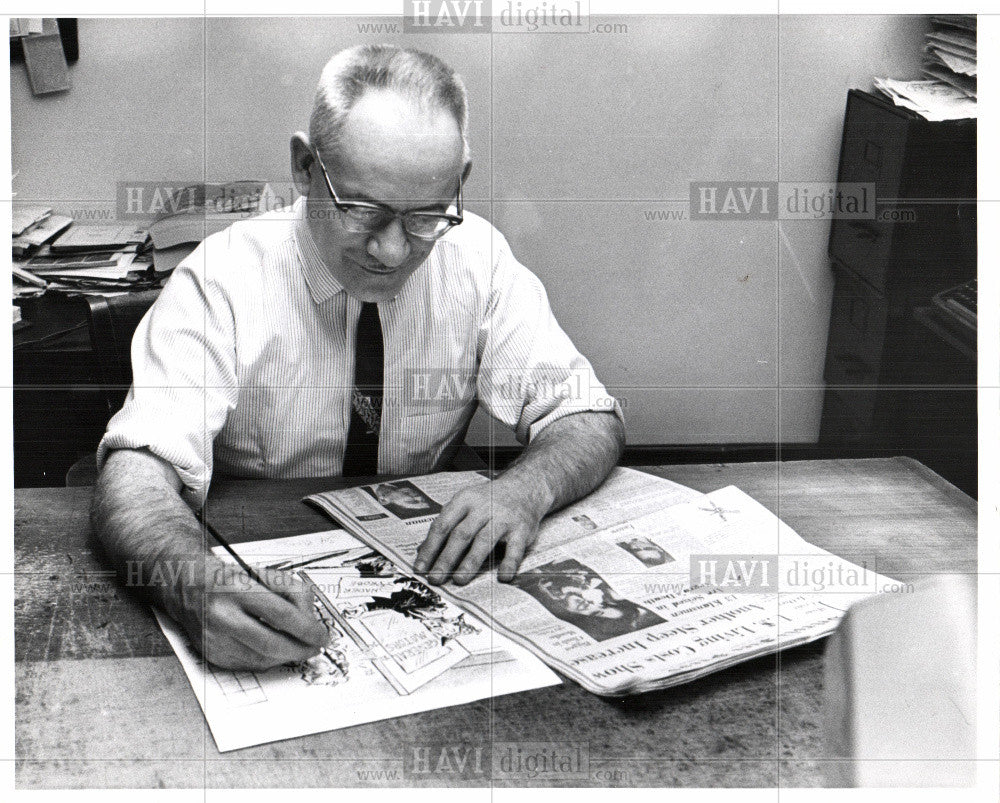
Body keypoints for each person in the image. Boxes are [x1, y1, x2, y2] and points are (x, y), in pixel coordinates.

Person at [91, 44, 624, 672]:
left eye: (426, 215)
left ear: (462, 181)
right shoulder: (221, 280)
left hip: (424, 575)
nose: (394, 251)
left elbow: (588, 416)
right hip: (260, 566)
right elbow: (136, 472)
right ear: (303, 166)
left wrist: (524, 491)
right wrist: (193, 584)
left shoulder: (478, 260)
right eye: (363, 210)